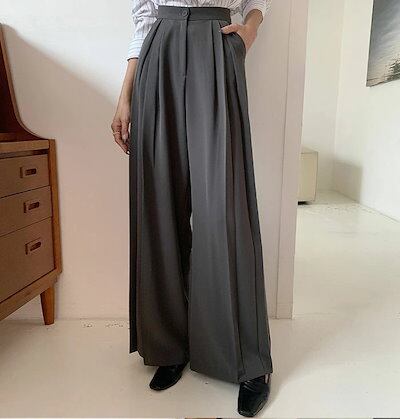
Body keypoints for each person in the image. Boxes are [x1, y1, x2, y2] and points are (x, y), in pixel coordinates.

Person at [112, 0, 273, 416]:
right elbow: (144, 18)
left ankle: (247, 358)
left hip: (217, 43)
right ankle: (168, 345)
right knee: (159, 201)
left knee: (224, 206)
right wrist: (125, 95)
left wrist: (250, 29)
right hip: (159, 48)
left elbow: (258, 1)